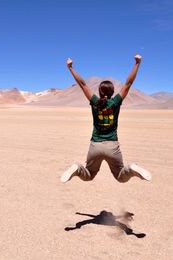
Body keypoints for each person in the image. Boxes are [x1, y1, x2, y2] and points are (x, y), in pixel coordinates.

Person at [61, 54, 152, 183]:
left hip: (95, 146)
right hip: (112, 146)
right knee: (121, 176)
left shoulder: (95, 102)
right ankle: (131, 169)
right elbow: (129, 83)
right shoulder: (115, 102)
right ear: (112, 91)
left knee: (88, 175)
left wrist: (71, 68)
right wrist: (137, 63)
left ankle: (78, 169)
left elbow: (82, 84)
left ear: (99, 91)